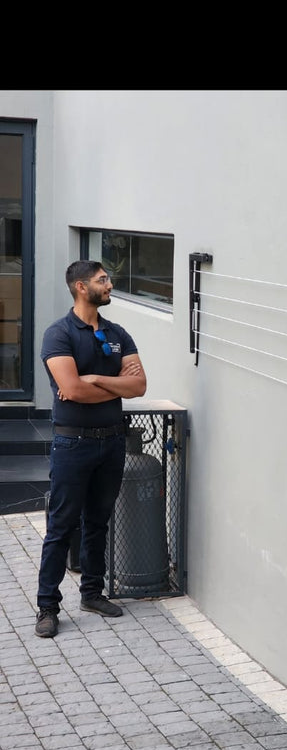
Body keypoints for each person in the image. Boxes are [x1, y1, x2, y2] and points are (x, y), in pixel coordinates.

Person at [35, 260, 147, 638]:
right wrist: (114, 384)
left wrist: (97, 378)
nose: (110, 284)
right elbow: (71, 389)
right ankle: (47, 606)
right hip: (73, 443)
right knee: (62, 526)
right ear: (81, 287)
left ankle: (92, 594)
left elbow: (139, 386)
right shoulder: (59, 334)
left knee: (98, 522)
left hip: (112, 441)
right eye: (103, 280)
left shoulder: (117, 333)